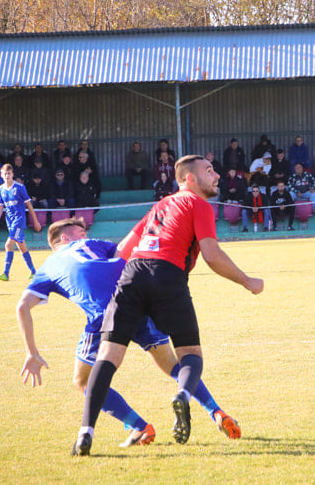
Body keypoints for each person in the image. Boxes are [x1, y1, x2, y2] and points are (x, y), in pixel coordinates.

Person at [71, 155, 263, 456]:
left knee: (107, 358)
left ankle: (85, 433)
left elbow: (122, 249)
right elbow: (212, 255)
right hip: (168, 276)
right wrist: (247, 280)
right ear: (190, 179)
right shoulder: (198, 204)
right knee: (190, 355)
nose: (216, 176)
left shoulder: (158, 207)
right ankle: (183, 396)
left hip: (132, 276)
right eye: (209, 171)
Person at [16, 217, 242, 449]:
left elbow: (22, 306)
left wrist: (32, 352)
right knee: (173, 365)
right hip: (138, 300)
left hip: (105, 315)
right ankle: (216, 412)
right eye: (80, 232)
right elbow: (128, 254)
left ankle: (138, 426)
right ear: (64, 238)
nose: (85, 234)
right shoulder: (95, 244)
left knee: (83, 381)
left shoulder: (46, 268)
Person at [0, 164, 41, 281]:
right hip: (10, 221)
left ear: (12, 174)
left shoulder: (19, 187)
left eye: (9, 173)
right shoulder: (0, 189)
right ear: (1, 175)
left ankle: (6, 273)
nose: (7, 176)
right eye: (5, 174)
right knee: (21, 246)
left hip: (19, 220)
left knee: (8, 244)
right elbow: (0, 207)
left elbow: (29, 204)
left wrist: (36, 221)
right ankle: (34, 272)